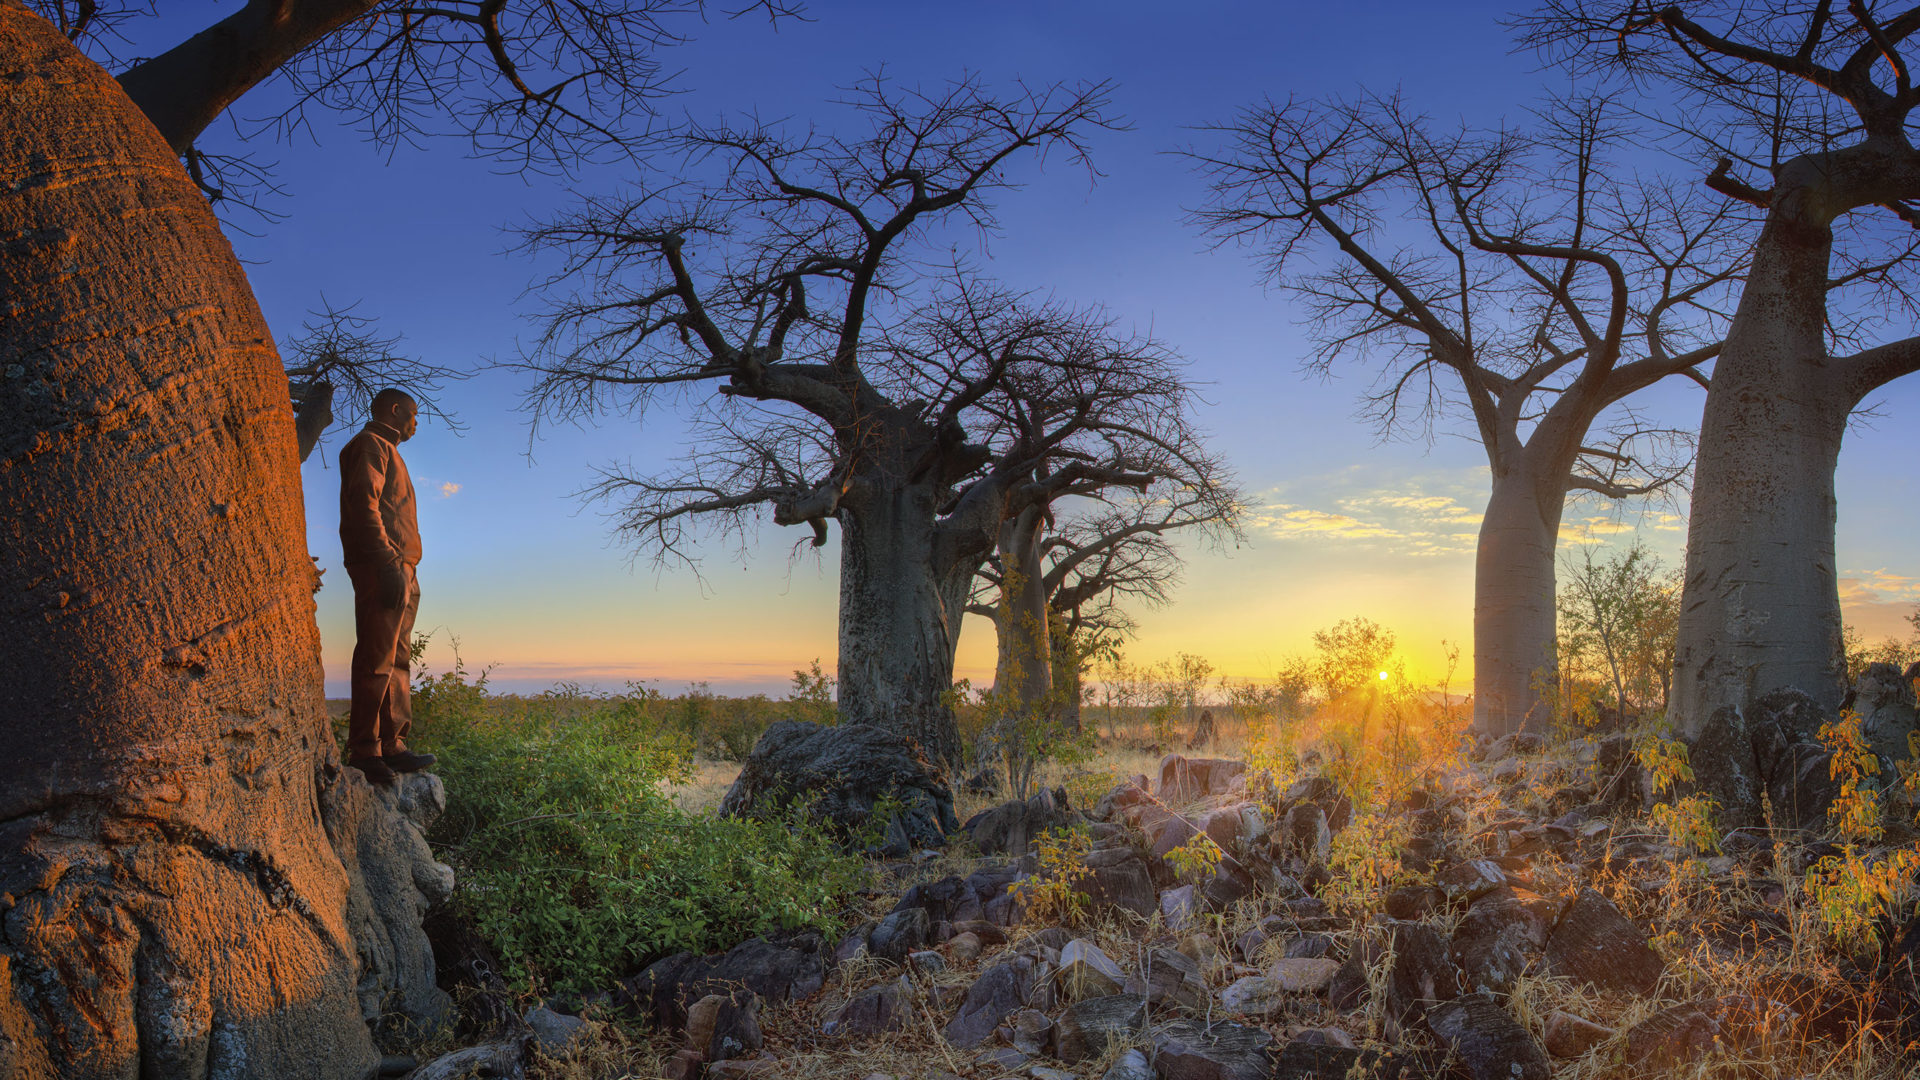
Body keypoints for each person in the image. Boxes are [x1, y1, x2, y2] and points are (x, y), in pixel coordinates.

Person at [339, 388, 437, 784]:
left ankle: (393, 745)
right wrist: (388, 561)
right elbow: (364, 505)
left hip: (404, 567)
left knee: (397, 658)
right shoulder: (369, 445)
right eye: (413, 415)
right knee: (377, 658)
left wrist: (404, 566)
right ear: (395, 411)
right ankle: (365, 750)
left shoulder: (389, 451)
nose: (416, 424)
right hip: (386, 566)